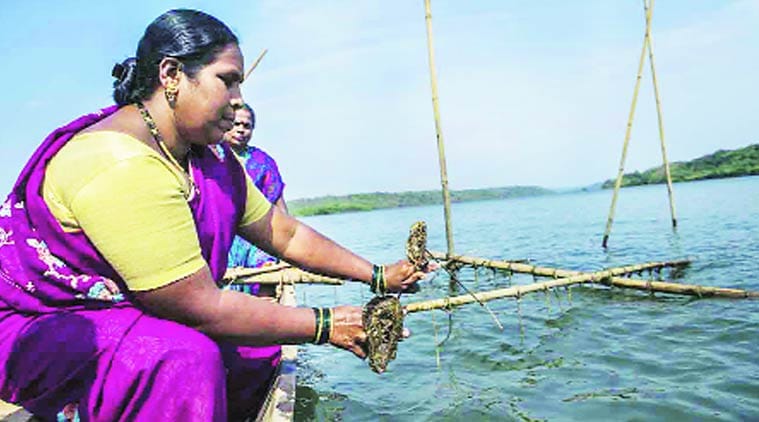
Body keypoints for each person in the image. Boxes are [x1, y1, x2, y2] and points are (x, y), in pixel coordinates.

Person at [0, 9, 426, 422]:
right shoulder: (119, 160)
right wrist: (329, 324)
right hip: (43, 325)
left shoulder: (210, 160)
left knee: (257, 354)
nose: (238, 101)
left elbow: (285, 232)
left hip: (134, 312)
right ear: (170, 76)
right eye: (228, 82)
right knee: (181, 359)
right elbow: (200, 307)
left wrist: (377, 276)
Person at [223, 103, 286, 271]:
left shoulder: (263, 162)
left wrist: (286, 241)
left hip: (255, 233)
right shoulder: (208, 155)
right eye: (236, 124)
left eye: (247, 126)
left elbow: (278, 204)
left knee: (266, 264)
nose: (241, 130)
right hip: (221, 232)